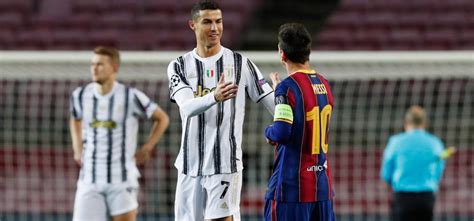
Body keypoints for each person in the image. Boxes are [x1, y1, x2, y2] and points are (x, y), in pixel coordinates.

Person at [166, 1, 275, 220]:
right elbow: (187, 107)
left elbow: (272, 102)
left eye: (218, 21)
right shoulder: (178, 66)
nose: (215, 28)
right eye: (207, 22)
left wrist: (281, 125)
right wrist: (214, 96)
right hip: (189, 167)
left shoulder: (241, 64)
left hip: (225, 165)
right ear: (193, 25)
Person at [69, 46, 169, 221]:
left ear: (114, 68)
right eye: (92, 64)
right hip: (89, 179)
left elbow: (162, 118)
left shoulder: (130, 96)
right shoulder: (80, 95)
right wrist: (77, 147)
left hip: (121, 179)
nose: (94, 68)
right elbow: (75, 118)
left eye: (100, 64)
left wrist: (147, 147)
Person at [264, 23, 336, 221]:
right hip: (322, 189)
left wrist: (267, 131)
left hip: (292, 189)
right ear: (308, 52)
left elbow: (280, 132)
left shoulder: (287, 88)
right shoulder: (324, 83)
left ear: (282, 54)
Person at [380, 105, 456, 221]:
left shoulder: (396, 142)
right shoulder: (435, 143)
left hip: (403, 196)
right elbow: (438, 170)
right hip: (426, 197)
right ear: (425, 123)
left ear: (406, 122)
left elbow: (386, 172)